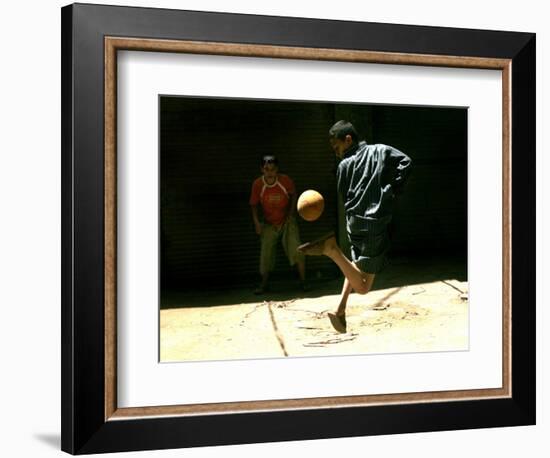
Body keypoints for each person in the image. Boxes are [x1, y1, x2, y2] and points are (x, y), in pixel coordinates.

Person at [298, 120, 412, 332]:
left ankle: (340, 310)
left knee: (355, 266)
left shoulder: (343, 166)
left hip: (354, 224)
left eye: (337, 147)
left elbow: (344, 195)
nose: (337, 152)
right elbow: (406, 162)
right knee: (363, 287)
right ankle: (331, 250)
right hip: (374, 224)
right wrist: (391, 189)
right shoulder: (380, 150)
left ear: (348, 139)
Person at [250, 155, 307, 294]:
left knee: (297, 249)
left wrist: (291, 214)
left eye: (272, 169)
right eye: (266, 169)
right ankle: (264, 285)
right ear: (262, 170)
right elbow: (253, 204)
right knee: (266, 254)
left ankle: (303, 282)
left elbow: (293, 195)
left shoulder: (285, 181)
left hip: (287, 221)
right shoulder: (258, 184)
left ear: (277, 170)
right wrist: (257, 222)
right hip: (269, 223)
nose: (269, 172)